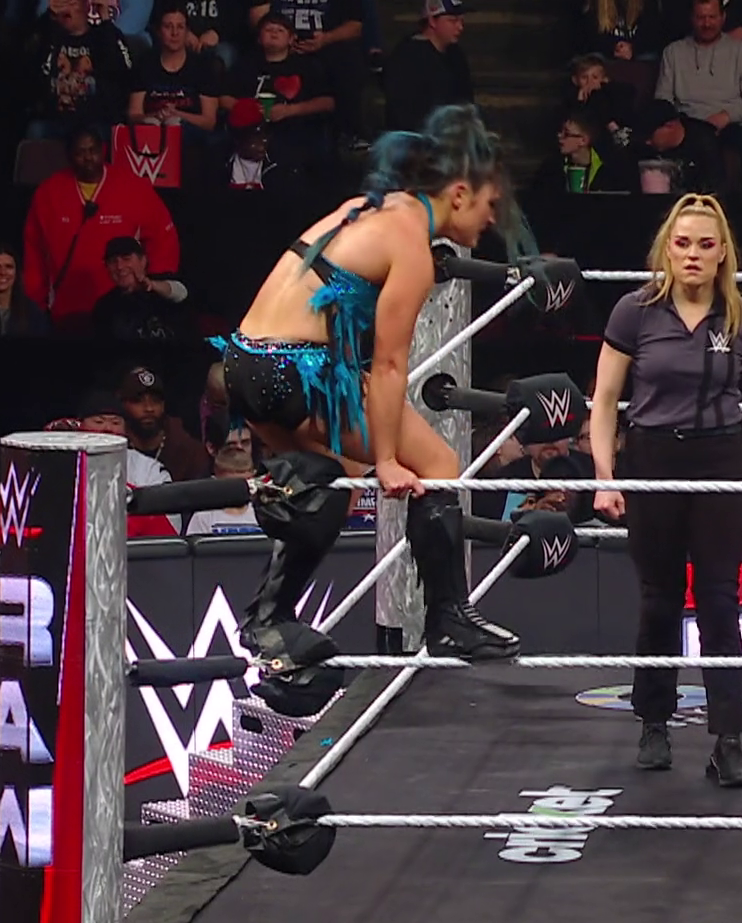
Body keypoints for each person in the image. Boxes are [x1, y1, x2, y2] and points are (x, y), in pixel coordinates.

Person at [216, 104, 532, 671]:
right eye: (489, 205)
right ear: (459, 194)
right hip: (294, 368)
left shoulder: (370, 208)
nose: (491, 220)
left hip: (244, 363)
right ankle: (449, 619)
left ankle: (268, 618)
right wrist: (386, 459)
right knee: (437, 462)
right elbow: (388, 365)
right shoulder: (409, 243)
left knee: (327, 480)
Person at [590, 193, 742, 788]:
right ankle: (653, 724)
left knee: (719, 600)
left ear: (722, 253)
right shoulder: (634, 312)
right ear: (666, 249)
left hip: (720, 459)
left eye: (705, 245)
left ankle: (728, 739)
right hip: (652, 457)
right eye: (682, 243)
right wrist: (604, 478)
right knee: (659, 597)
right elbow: (604, 400)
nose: (692, 254)